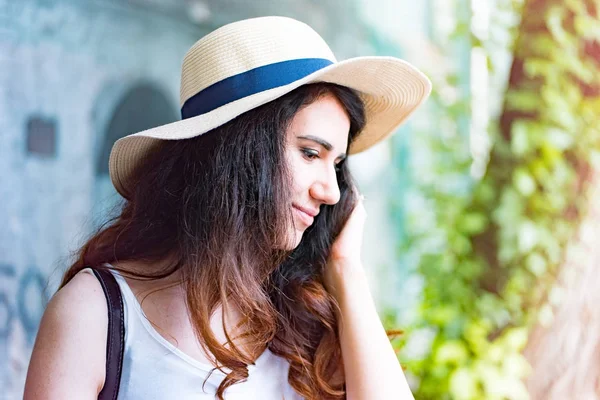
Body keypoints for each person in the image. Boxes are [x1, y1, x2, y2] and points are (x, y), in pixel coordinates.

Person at [24, 16, 431, 400]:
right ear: (238, 152)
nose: (331, 192)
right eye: (310, 153)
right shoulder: (99, 315)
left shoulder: (307, 325)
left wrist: (346, 270)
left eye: (337, 165)